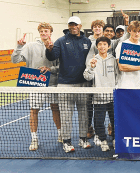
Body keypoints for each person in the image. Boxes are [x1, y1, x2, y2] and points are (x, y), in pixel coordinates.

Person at [11, 22, 61, 151]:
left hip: (52, 83)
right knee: (34, 110)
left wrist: (50, 69)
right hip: (36, 84)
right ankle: (34, 139)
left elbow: (61, 67)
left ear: (50, 32)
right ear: (39, 33)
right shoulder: (29, 46)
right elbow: (15, 60)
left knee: (56, 109)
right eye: (42, 31)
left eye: (46, 31)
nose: (44, 33)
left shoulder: (56, 46)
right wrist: (18, 47)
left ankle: (61, 135)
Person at [45, 16, 92, 153]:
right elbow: (52, 56)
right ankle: (67, 142)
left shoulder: (87, 41)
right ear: (68, 26)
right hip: (65, 84)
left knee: (84, 114)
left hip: (83, 84)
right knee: (66, 115)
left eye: (75, 24)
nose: (73, 27)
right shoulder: (60, 41)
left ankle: (83, 139)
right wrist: (49, 49)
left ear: (80, 26)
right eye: (71, 24)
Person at [83, 37, 117, 151]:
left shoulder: (113, 59)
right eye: (100, 44)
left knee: (115, 121)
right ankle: (103, 141)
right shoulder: (92, 60)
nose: (102, 46)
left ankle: (115, 139)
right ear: (97, 47)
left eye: (105, 44)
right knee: (99, 122)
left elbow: (118, 77)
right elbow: (87, 77)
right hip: (98, 98)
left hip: (113, 97)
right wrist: (92, 67)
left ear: (109, 46)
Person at [115, 21, 140, 88]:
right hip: (123, 86)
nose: (136, 34)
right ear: (129, 31)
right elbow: (121, 67)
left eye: (139, 31)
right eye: (134, 31)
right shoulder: (122, 45)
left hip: (137, 85)